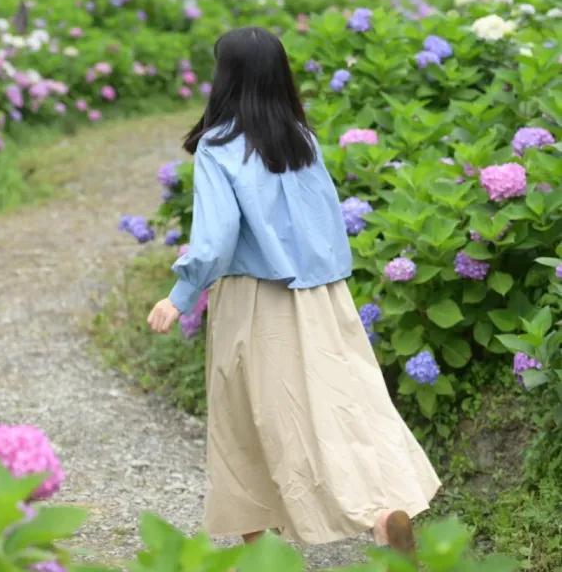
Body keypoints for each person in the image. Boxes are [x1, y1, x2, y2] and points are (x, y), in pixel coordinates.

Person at [146, 27, 441, 556]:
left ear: (226, 78)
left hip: (256, 299)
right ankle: (379, 512)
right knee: (342, 408)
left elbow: (214, 240)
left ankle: (265, 559)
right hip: (325, 297)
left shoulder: (218, 147)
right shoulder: (301, 140)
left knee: (247, 424)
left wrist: (180, 295)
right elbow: (326, 221)